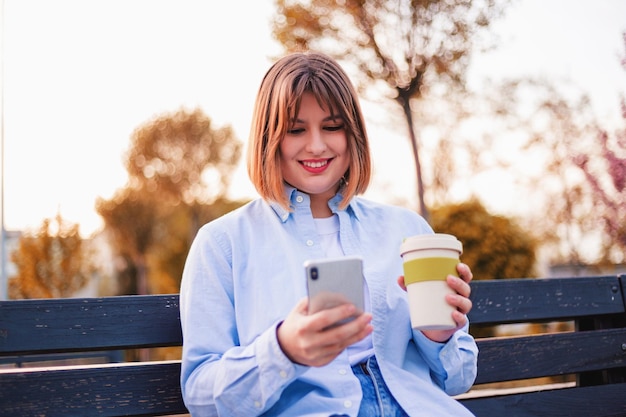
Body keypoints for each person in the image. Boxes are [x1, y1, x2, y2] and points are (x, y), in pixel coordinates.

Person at [179, 51, 478, 417]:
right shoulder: (223, 243)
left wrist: (439, 335)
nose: (317, 145)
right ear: (267, 137)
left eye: (332, 126)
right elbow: (200, 395)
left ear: (353, 134)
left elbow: (459, 378)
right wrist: (282, 349)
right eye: (296, 129)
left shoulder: (407, 231)